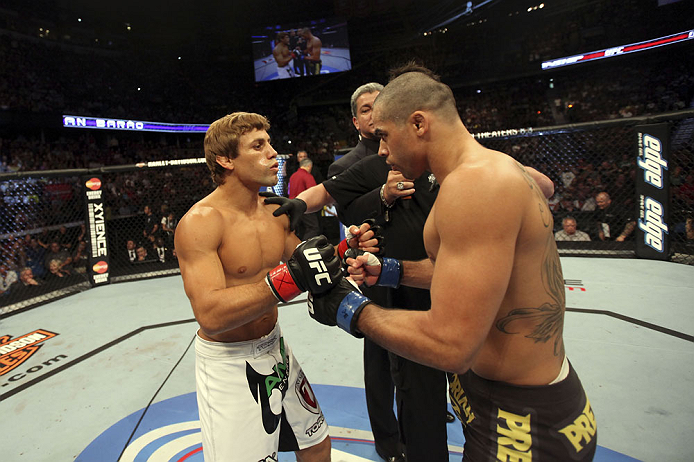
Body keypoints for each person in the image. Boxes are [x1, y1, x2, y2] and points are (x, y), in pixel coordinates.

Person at [306, 64, 598, 461]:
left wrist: (348, 308)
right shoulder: (470, 175)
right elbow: (468, 275)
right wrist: (392, 270)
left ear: (419, 124)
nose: (382, 151)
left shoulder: (476, 184)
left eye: (386, 136)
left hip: (524, 420)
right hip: (495, 401)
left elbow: (452, 344)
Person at [175, 111, 350, 462]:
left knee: (316, 446)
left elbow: (309, 268)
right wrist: (288, 280)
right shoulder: (200, 222)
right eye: (258, 146)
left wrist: (350, 250)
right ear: (226, 160)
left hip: (275, 347)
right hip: (229, 362)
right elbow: (210, 314)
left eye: (269, 143)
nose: (273, 153)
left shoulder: (276, 211)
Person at [289, 158, 321, 240]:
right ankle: (305, 247)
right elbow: (313, 192)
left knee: (298, 230)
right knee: (313, 227)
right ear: (309, 166)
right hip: (305, 206)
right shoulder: (307, 176)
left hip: (292, 206)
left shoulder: (293, 176)